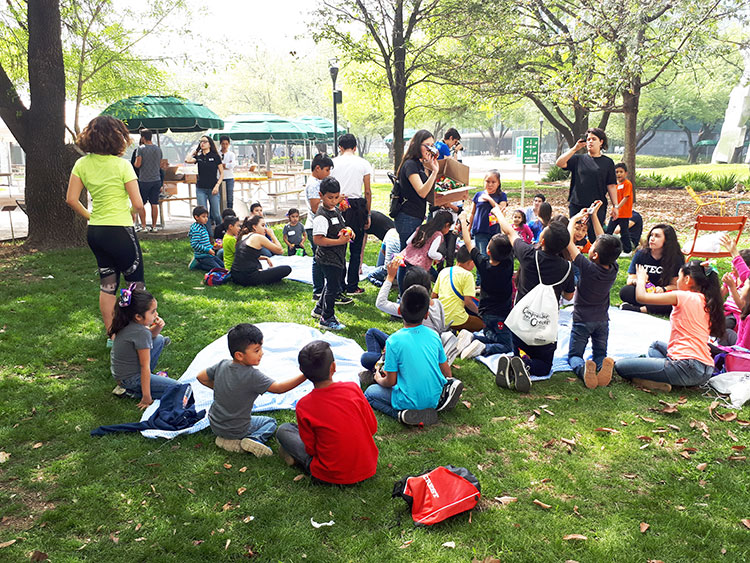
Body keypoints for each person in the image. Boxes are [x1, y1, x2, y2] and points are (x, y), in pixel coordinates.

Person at [65, 115, 145, 337]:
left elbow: (71, 199)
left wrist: (90, 215)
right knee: (135, 284)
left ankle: (113, 335)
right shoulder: (122, 165)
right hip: (120, 230)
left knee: (108, 284)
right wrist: (129, 212)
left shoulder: (81, 164)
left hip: (96, 231)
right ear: (118, 137)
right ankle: (139, 335)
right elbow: (138, 204)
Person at [491, 200, 575, 388]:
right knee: (544, 366)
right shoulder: (568, 268)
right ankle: (525, 365)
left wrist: (497, 212)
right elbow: (569, 297)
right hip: (544, 329)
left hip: (520, 324)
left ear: (542, 241)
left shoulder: (529, 255)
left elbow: (510, 232)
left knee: (519, 348)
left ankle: (517, 359)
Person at [276, 340, 378, 485]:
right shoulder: (353, 388)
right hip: (367, 467)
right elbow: (372, 428)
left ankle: (295, 458)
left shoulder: (304, 405)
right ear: (334, 367)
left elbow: (311, 449)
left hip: (328, 475)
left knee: (284, 430)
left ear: (303, 372)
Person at [614, 261, 725, 392]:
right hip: (705, 369)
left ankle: (657, 380)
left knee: (620, 366)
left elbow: (641, 297)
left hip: (687, 367)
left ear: (687, 279)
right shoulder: (709, 301)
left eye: (679, 277)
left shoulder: (683, 296)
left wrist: (641, 280)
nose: (677, 281)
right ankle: (666, 377)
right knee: (655, 345)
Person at [196, 324, 306, 455]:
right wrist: (305, 375)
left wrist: (222, 389)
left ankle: (223, 439)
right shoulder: (252, 375)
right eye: (256, 350)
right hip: (237, 429)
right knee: (270, 422)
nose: (262, 353)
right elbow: (279, 388)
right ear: (239, 355)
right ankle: (254, 439)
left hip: (215, 423)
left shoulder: (222, 364)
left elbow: (200, 377)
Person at [364, 285, 463, 426]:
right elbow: (446, 370)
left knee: (369, 393)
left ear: (399, 311)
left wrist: (378, 378)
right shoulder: (434, 336)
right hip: (435, 398)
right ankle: (437, 401)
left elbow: (390, 381)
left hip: (408, 399)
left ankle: (401, 415)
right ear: (426, 314)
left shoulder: (393, 341)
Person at [565, 204, 621, 389]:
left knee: (574, 355)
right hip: (602, 321)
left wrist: (573, 219)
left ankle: (583, 369)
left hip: (582, 320)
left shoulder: (587, 268)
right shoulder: (613, 268)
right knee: (599, 352)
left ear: (594, 254)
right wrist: (594, 215)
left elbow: (568, 242)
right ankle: (600, 364)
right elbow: (602, 239)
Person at [455, 211, 514, 359]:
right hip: (501, 315)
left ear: (488, 250)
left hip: (485, 314)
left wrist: (463, 221)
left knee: (493, 336)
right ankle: (483, 348)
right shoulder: (508, 263)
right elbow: (509, 235)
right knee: (508, 345)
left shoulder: (483, 264)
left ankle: (473, 339)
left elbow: (468, 243)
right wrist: (500, 214)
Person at [109, 285, 178, 408]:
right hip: (131, 379)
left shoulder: (128, 322)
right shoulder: (141, 332)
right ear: (138, 316)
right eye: (152, 312)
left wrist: (158, 326)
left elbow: (148, 338)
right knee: (179, 388)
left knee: (159, 339)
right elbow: (144, 366)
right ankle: (132, 392)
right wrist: (147, 397)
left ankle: (140, 386)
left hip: (123, 375)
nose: (156, 314)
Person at [556, 127, 618, 243]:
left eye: (594, 139)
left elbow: (611, 185)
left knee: (597, 238)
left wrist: (616, 206)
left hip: (597, 206)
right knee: (574, 236)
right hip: (577, 204)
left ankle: (598, 260)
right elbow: (559, 163)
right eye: (588, 139)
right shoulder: (578, 159)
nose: (590, 141)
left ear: (601, 142)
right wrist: (575, 149)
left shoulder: (608, 162)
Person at [331, 134, 373, 295]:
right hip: (357, 207)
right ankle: (352, 285)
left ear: (340, 148)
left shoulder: (333, 163)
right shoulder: (363, 163)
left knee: (339, 246)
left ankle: (340, 284)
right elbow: (368, 191)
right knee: (356, 249)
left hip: (339, 204)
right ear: (355, 147)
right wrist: (368, 214)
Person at [311, 177, 353, 331]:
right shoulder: (321, 216)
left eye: (336, 197)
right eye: (330, 198)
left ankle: (318, 309)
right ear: (321, 195)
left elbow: (340, 226)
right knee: (333, 288)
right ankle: (327, 318)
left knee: (331, 284)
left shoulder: (334, 210)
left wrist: (348, 230)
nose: (334, 201)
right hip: (328, 258)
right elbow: (318, 240)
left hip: (337, 257)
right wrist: (340, 242)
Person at [619, 224, 684, 315]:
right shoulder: (641, 254)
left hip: (662, 294)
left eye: (657, 236)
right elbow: (630, 280)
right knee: (626, 291)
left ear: (667, 240)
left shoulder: (675, 259)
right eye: (651, 235)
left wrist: (663, 289)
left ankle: (640, 309)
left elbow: (676, 285)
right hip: (643, 291)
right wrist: (640, 282)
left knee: (677, 300)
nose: (652, 239)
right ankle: (654, 307)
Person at [394, 130, 439, 249]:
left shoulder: (420, 164)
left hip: (416, 215)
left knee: (408, 257)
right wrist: (435, 171)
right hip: (407, 216)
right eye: (427, 146)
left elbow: (429, 188)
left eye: (432, 146)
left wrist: (430, 166)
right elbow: (422, 192)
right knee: (407, 257)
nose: (430, 149)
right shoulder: (410, 165)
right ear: (417, 145)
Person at [396, 209, 453, 292]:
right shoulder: (438, 235)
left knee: (405, 284)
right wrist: (440, 257)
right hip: (419, 265)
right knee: (418, 287)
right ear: (447, 225)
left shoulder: (422, 227)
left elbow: (408, 242)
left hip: (405, 259)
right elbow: (431, 253)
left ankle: (401, 297)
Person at [468, 170, 507, 285]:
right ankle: (480, 282)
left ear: (498, 183)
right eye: (487, 181)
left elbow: (500, 209)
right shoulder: (478, 195)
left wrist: (490, 199)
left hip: (494, 232)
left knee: (495, 257)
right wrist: (469, 227)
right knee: (482, 257)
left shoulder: (501, 196)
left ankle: (493, 280)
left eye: (493, 182)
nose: (490, 184)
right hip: (480, 231)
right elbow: (472, 213)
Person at [433, 246, 483, 332]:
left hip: (441, 319)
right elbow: (468, 303)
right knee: (483, 325)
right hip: (458, 319)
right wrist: (481, 314)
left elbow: (434, 296)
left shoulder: (444, 271)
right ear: (471, 262)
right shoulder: (467, 275)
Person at [304, 154, 334, 300]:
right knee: (319, 258)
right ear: (317, 168)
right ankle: (318, 290)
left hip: (318, 225)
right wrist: (333, 202)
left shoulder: (317, 182)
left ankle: (321, 288)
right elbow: (316, 208)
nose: (328, 174)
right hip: (314, 226)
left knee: (320, 258)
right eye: (327, 170)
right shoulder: (314, 184)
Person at [231, 215, 291, 286]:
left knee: (260, 265)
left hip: (235, 275)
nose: (265, 229)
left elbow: (247, 255)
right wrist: (272, 235)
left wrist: (265, 258)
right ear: (254, 227)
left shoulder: (243, 236)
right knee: (287, 269)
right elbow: (280, 250)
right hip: (248, 278)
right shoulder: (257, 237)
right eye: (262, 226)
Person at [184, 135, 224, 229]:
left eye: (205, 141)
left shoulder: (215, 157)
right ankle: (208, 236)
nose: (202, 143)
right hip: (201, 188)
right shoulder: (199, 157)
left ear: (210, 144)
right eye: (201, 141)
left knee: (216, 214)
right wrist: (194, 152)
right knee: (203, 215)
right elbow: (187, 160)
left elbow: (222, 174)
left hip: (213, 188)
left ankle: (221, 232)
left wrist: (217, 185)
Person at [721, 235, 750, 350]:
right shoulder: (733, 276)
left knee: (724, 329)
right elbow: (719, 294)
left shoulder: (748, 317)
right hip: (727, 311)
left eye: (746, 284)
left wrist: (732, 288)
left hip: (736, 315)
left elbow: (743, 348)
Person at [133, 129, 163, 232]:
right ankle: (154, 226)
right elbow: (160, 164)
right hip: (156, 179)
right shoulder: (158, 149)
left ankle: (144, 226)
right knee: (154, 203)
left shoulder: (140, 149)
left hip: (144, 180)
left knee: (141, 203)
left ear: (143, 138)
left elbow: (138, 164)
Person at [605, 162, 634, 256]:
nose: (619, 174)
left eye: (621, 172)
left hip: (624, 213)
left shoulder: (627, 184)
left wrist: (617, 207)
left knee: (624, 232)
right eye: (616, 172)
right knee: (609, 230)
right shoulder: (615, 185)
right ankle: (606, 248)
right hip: (615, 213)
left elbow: (626, 197)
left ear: (626, 173)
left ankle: (628, 250)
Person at [189, 206, 224, 271]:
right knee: (219, 269)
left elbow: (204, 243)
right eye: (203, 217)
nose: (206, 219)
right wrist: (207, 250)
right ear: (196, 217)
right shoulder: (196, 229)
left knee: (223, 266)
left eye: (206, 216)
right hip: (202, 256)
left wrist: (212, 247)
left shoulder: (202, 226)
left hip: (209, 255)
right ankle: (198, 264)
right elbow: (194, 245)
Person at [219, 135, 236, 210]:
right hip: (219, 178)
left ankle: (230, 212)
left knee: (230, 197)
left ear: (229, 144)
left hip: (229, 177)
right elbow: (216, 165)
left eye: (226, 144)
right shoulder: (217, 154)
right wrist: (225, 165)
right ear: (220, 144)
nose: (225, 146)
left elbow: (232, 165)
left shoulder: (231, 154)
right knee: (220, 197)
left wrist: (223, 165)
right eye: (223, 144)